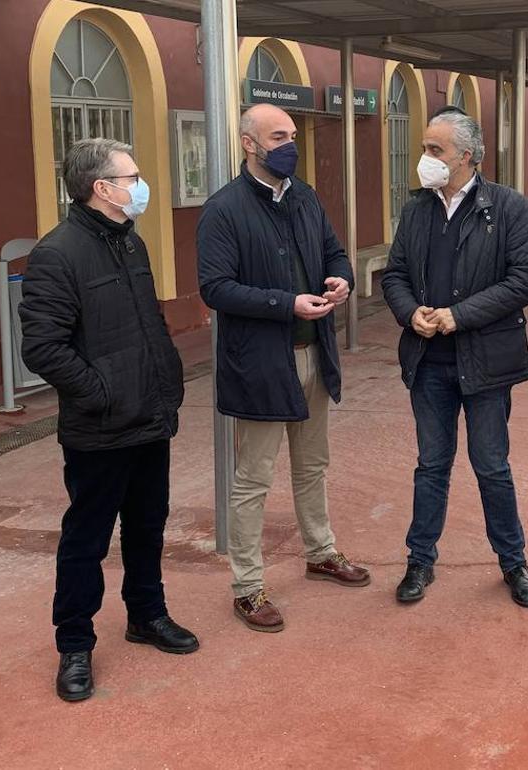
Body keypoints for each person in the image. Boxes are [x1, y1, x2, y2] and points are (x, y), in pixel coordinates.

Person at [20, 138, 197, 703]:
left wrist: (163, 384)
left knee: (148, 526)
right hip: (99, 428)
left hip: (149, 416)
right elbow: (43, 348)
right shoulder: (57, 253)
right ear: (103, 188)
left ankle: (147, 616)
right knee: (87, 540)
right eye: (133, 176)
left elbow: (147, 324)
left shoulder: (131, 243)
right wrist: (102, 393)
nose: (140, 185)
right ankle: (75, 644)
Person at [197, 103, 369, 634]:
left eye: (293, 134)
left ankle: (321, 552)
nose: (291, 143)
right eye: (279, 135)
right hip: (262, 365)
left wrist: (341, 279)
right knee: (253, 479)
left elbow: (334, 253)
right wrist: (285, 303)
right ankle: (248, 587)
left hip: (314, 353)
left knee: (312, 464)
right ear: (250, 144)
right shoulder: (223, 210)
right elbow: (216, 288)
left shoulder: (305, 198)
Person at [381, 106, 528, 607]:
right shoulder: (417, 209)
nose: (425, 159)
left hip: (486, 361)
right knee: (431, 464)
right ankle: (419, 561)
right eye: (425, 149)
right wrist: (412, 315)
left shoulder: (508, 207)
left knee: (492, 465)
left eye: (435, 150)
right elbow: (395, 275)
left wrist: (458, 315)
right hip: (429, 362)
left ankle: (513, 563)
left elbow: (526, 279)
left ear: (467, 157)